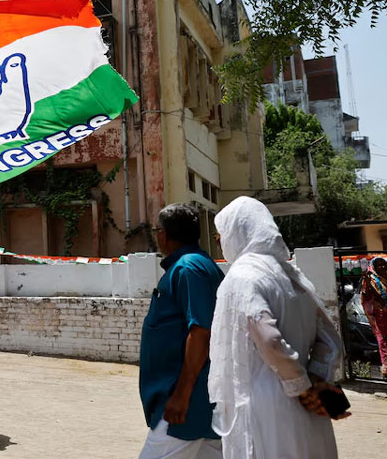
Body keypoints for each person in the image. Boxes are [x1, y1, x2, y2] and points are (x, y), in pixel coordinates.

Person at [209, 196, 348, 459]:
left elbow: (269, 339)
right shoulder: (293, 276)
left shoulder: (241, 277)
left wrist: (302, 387)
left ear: (237, 232)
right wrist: (315, 383)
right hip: (310, 407)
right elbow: (330, 339)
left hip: (267, 408)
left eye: (221, 236)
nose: (221, 244)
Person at [138, 204, 224, 459]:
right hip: (195, 398)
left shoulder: (188, 269)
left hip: (184, 401)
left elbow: (201, 332)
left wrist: (182, 394)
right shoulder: (197, 264)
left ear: (163, 234)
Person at [360, 256, 387, 379]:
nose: (382, 267)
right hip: (383, 319)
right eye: (378, 265)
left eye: (383, 264)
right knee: (386, 343)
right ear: (373, 267)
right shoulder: (372, 281)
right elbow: (366, 298)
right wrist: (366, 282)